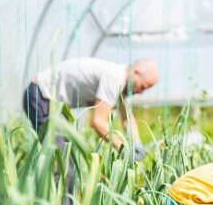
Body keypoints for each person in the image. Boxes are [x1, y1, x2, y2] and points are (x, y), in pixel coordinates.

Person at [23, 57, 158, 156]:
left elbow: (127, 118)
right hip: (41, 95)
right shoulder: (114, 78)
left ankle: (61, 194)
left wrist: (137, 143)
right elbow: (97, 122)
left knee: (68, 153)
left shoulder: (120, 82)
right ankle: (51, 193)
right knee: (60, 158)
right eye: (142, 87)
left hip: (54, 104)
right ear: (136, 72)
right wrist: (124, 150)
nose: (140, 93)